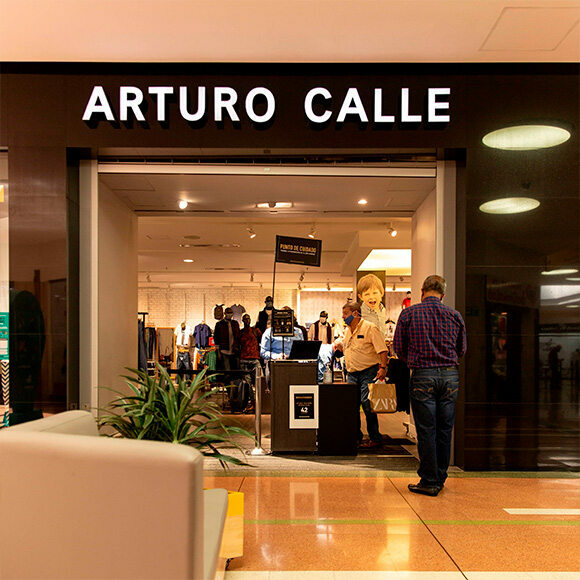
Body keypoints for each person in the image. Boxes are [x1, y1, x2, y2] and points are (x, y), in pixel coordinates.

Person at [393, 275, 467, 497]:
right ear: (443, 295)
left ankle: (429, 480)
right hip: (450, 376)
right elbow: (462, 349)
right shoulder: (454, 315)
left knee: (426, 430)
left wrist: (415, 360)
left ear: (422, 291)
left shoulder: (409, 314)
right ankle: (440, 477)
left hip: (423, 375)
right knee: (445, 429)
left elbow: (399, 348)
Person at [334, 301, 388, 448]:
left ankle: (375, 438)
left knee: (367, 403)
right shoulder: (347, 331)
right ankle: (355, 436)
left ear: (355, 313)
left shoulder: (370, 328)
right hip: (351, 372)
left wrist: (383, 368)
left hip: (368, 371)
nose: (343, 316)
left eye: (345, 313)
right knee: (352, 404)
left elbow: (382, 350)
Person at [239, 313, 262, 412]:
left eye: (248, 319)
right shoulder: (241, 333)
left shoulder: (255, 331)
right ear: (242, 321)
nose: (247, 321)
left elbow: (262, 342)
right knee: (247, 385)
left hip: (255, 359)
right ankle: (253, 403)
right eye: (245, 319)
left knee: (260, 381)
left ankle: (260, 403)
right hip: (244, 360)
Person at [358, 273, 388, 339]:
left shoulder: (383, 310)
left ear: (381, 293)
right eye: (367, 294)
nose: (371, 297)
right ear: (360, 297)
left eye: (375, 293)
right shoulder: (358, 314)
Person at [308, 310, 333, 382]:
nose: (322, 318)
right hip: (316, 347)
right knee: (316, 366)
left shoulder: (329, 327)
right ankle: (315, 380)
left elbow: (331, 340)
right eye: (321, 317)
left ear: (326, 318)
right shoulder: (314, 326)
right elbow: (309, 337)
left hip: (325, 348)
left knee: (324, 366)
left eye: (324, 317)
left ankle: (322, 380)